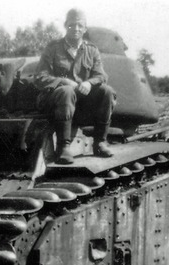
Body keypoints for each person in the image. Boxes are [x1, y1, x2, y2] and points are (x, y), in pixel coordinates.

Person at [35, 8, 116, 164]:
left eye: (80, 26)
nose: (76, 29)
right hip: (54, 102)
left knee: (107, 91)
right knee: (66, 91)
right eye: (72, 25)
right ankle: (63, 147)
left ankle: (100, 142)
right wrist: (63, 81)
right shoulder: (53, 48)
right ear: (66, 26)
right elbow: (40, 77)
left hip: (80, 104)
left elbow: (101, 76)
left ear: (85, 29)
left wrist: (88, 82)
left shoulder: (91, 50)